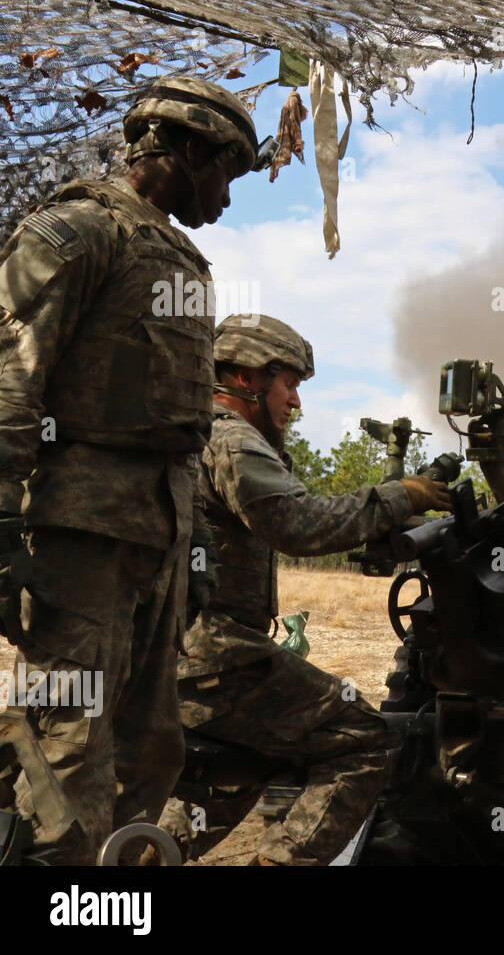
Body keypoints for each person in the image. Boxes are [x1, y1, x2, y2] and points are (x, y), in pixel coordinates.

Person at [0, 77, 269, 864]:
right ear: (188, 149)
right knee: (63, 756)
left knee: (150, 752)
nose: (227, 195)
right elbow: (12, 384)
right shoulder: (75, 232)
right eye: (226, 172)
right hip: (78, 544)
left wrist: (196, 551)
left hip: (156, 540)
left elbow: (177, 430)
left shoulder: (178, 254)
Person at [156, 314, 452, 864]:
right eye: (289, 384)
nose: (295, 402)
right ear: (247, 378)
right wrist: (401, 497)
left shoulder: (191, 430)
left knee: (244, 759)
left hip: (188, 650)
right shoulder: (231, 438)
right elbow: (299, 524)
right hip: (218, 655)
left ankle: (142, 859)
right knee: (366, 738)